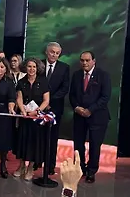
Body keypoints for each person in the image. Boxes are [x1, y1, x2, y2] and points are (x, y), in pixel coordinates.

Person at [69, 51, 111, 183]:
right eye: (82, 60)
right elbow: (72, 95)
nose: (84, 63)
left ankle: (91, 171)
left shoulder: (103, 75)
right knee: (78, 144)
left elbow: (105, 97)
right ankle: (80, 168)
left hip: (97, 116)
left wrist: (90, 110)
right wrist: (77, 107)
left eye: (87, 60)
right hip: (79, 115)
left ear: (94, 61)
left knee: (94, 144)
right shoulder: (76, 75)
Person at [13, 58, 50, 181]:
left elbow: (46, 100)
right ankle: (21, 166)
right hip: (25, 117)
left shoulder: (43, 82)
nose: (31, 69)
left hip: (37, 119)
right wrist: (23, 111)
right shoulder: (21, 82)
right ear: (25, 67)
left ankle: (30, 168)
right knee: (22, 141)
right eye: (29, 66)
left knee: (35, 143)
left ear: (37, 68)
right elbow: (19, 98)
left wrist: (37, 111)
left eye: (34, 67)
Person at [43, 42, 70, 175]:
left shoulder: (64, 68)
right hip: (38, 107)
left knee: (52, 138)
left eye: (57, 53)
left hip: (55, 108)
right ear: (46, 52)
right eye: (52, 52)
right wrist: (42, 102)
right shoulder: (38, 64)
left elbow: (64, 88)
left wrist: (49, 101)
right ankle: (36, 162)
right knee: (38, 137)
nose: (54, 55)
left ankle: (50, 166)